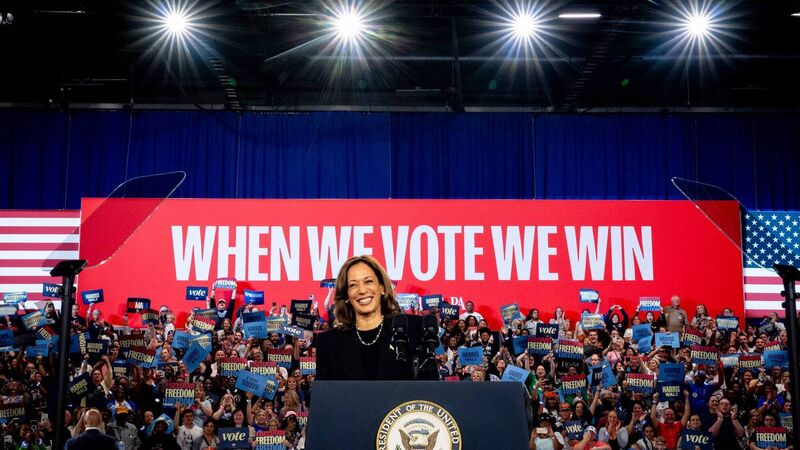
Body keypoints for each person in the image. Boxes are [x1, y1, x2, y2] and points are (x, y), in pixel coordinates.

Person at [315, 255, 436, 380]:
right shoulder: (328, 342)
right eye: (353, 285)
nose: (362, 290)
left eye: (368, 281)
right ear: (346, 295)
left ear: (382, 287)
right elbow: (324, 391)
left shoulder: (414, 329)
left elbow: (431, 386)